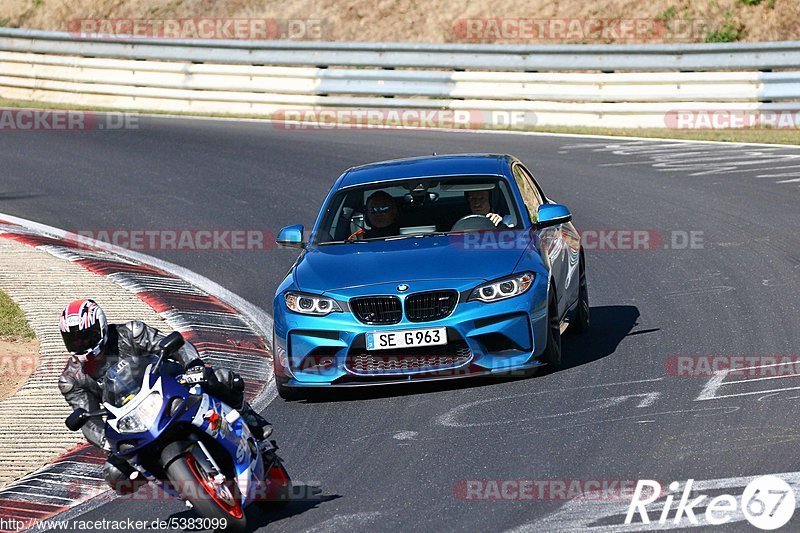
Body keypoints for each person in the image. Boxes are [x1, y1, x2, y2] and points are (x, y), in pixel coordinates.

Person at [57, 299, 271, 495]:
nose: (82, 343)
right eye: (74, 341)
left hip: (170, 386)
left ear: (101, 327)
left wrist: (193, 366)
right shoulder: (72, 380)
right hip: (132, 419)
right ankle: (179, 484)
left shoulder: (131, 332)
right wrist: (104, 440)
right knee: (115, 473)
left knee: (221, 378)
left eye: (86, 336)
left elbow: (176, 346)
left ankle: (252, 420)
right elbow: (86, 417)